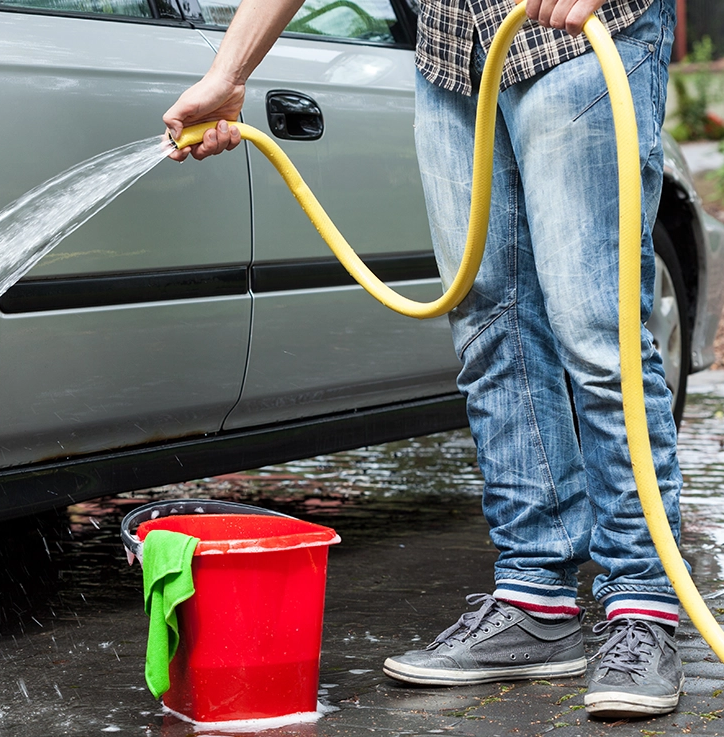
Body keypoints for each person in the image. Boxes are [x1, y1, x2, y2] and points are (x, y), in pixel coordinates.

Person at [163, 0, 684, 721]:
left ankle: (643, 609)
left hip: (579, 41)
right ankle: (535, 600)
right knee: (488, 324)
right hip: (453, 59)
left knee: (597, 333)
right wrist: (228, 72)